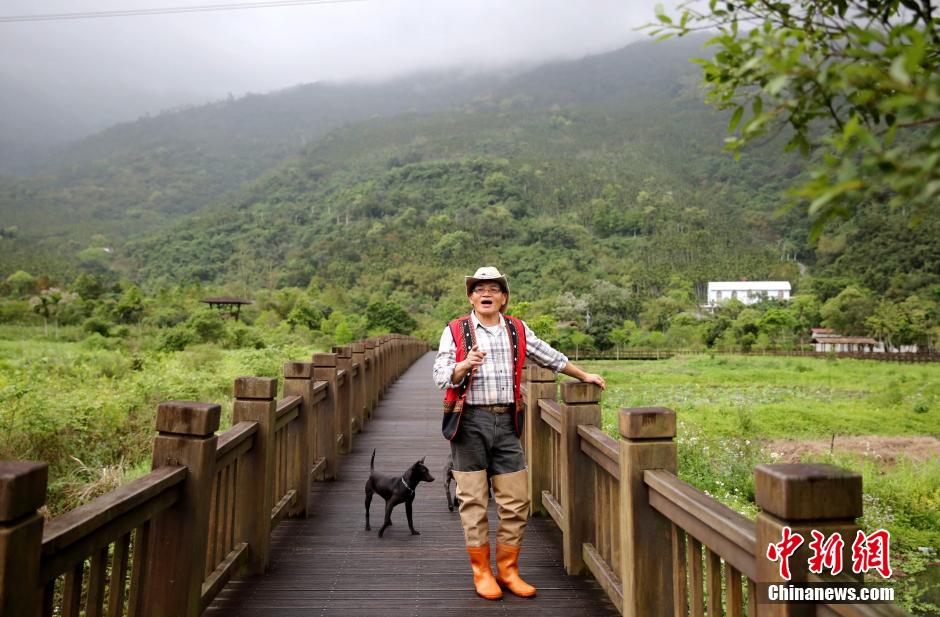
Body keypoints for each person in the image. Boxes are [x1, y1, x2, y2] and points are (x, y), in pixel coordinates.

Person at [432, 266, 605, 600]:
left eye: (494, 289)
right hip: (468, 422)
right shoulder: (455, 330)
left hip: (508, 421)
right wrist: (465, 364)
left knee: (516, 500)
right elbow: (441, 376)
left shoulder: (517, 329)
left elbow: (550, 357)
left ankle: (508, 569)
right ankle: (481, 571)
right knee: (473, 499)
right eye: (480, 288)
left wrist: (583, 375)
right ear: (471, 297)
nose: (487, 293)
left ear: (503, 297)